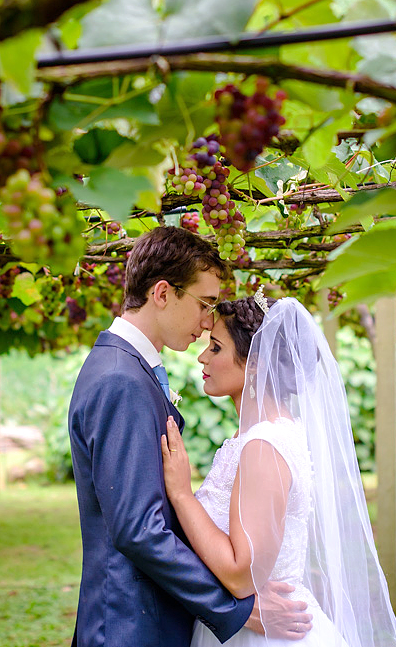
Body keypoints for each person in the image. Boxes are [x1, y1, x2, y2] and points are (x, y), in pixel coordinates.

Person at [69, 227, 313, 647]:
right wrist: (234, 607)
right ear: (163, 294)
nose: (206, 323)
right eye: (205, 304)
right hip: (130, 626)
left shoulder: (129, 370)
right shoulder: (120, 380)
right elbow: (139, 528)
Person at [161, 292, 396, 647]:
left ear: (256, 362)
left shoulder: (264, 446)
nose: (202, 356)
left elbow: (241, 574)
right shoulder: (257, 436)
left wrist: (183, 495)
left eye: (215, 347)